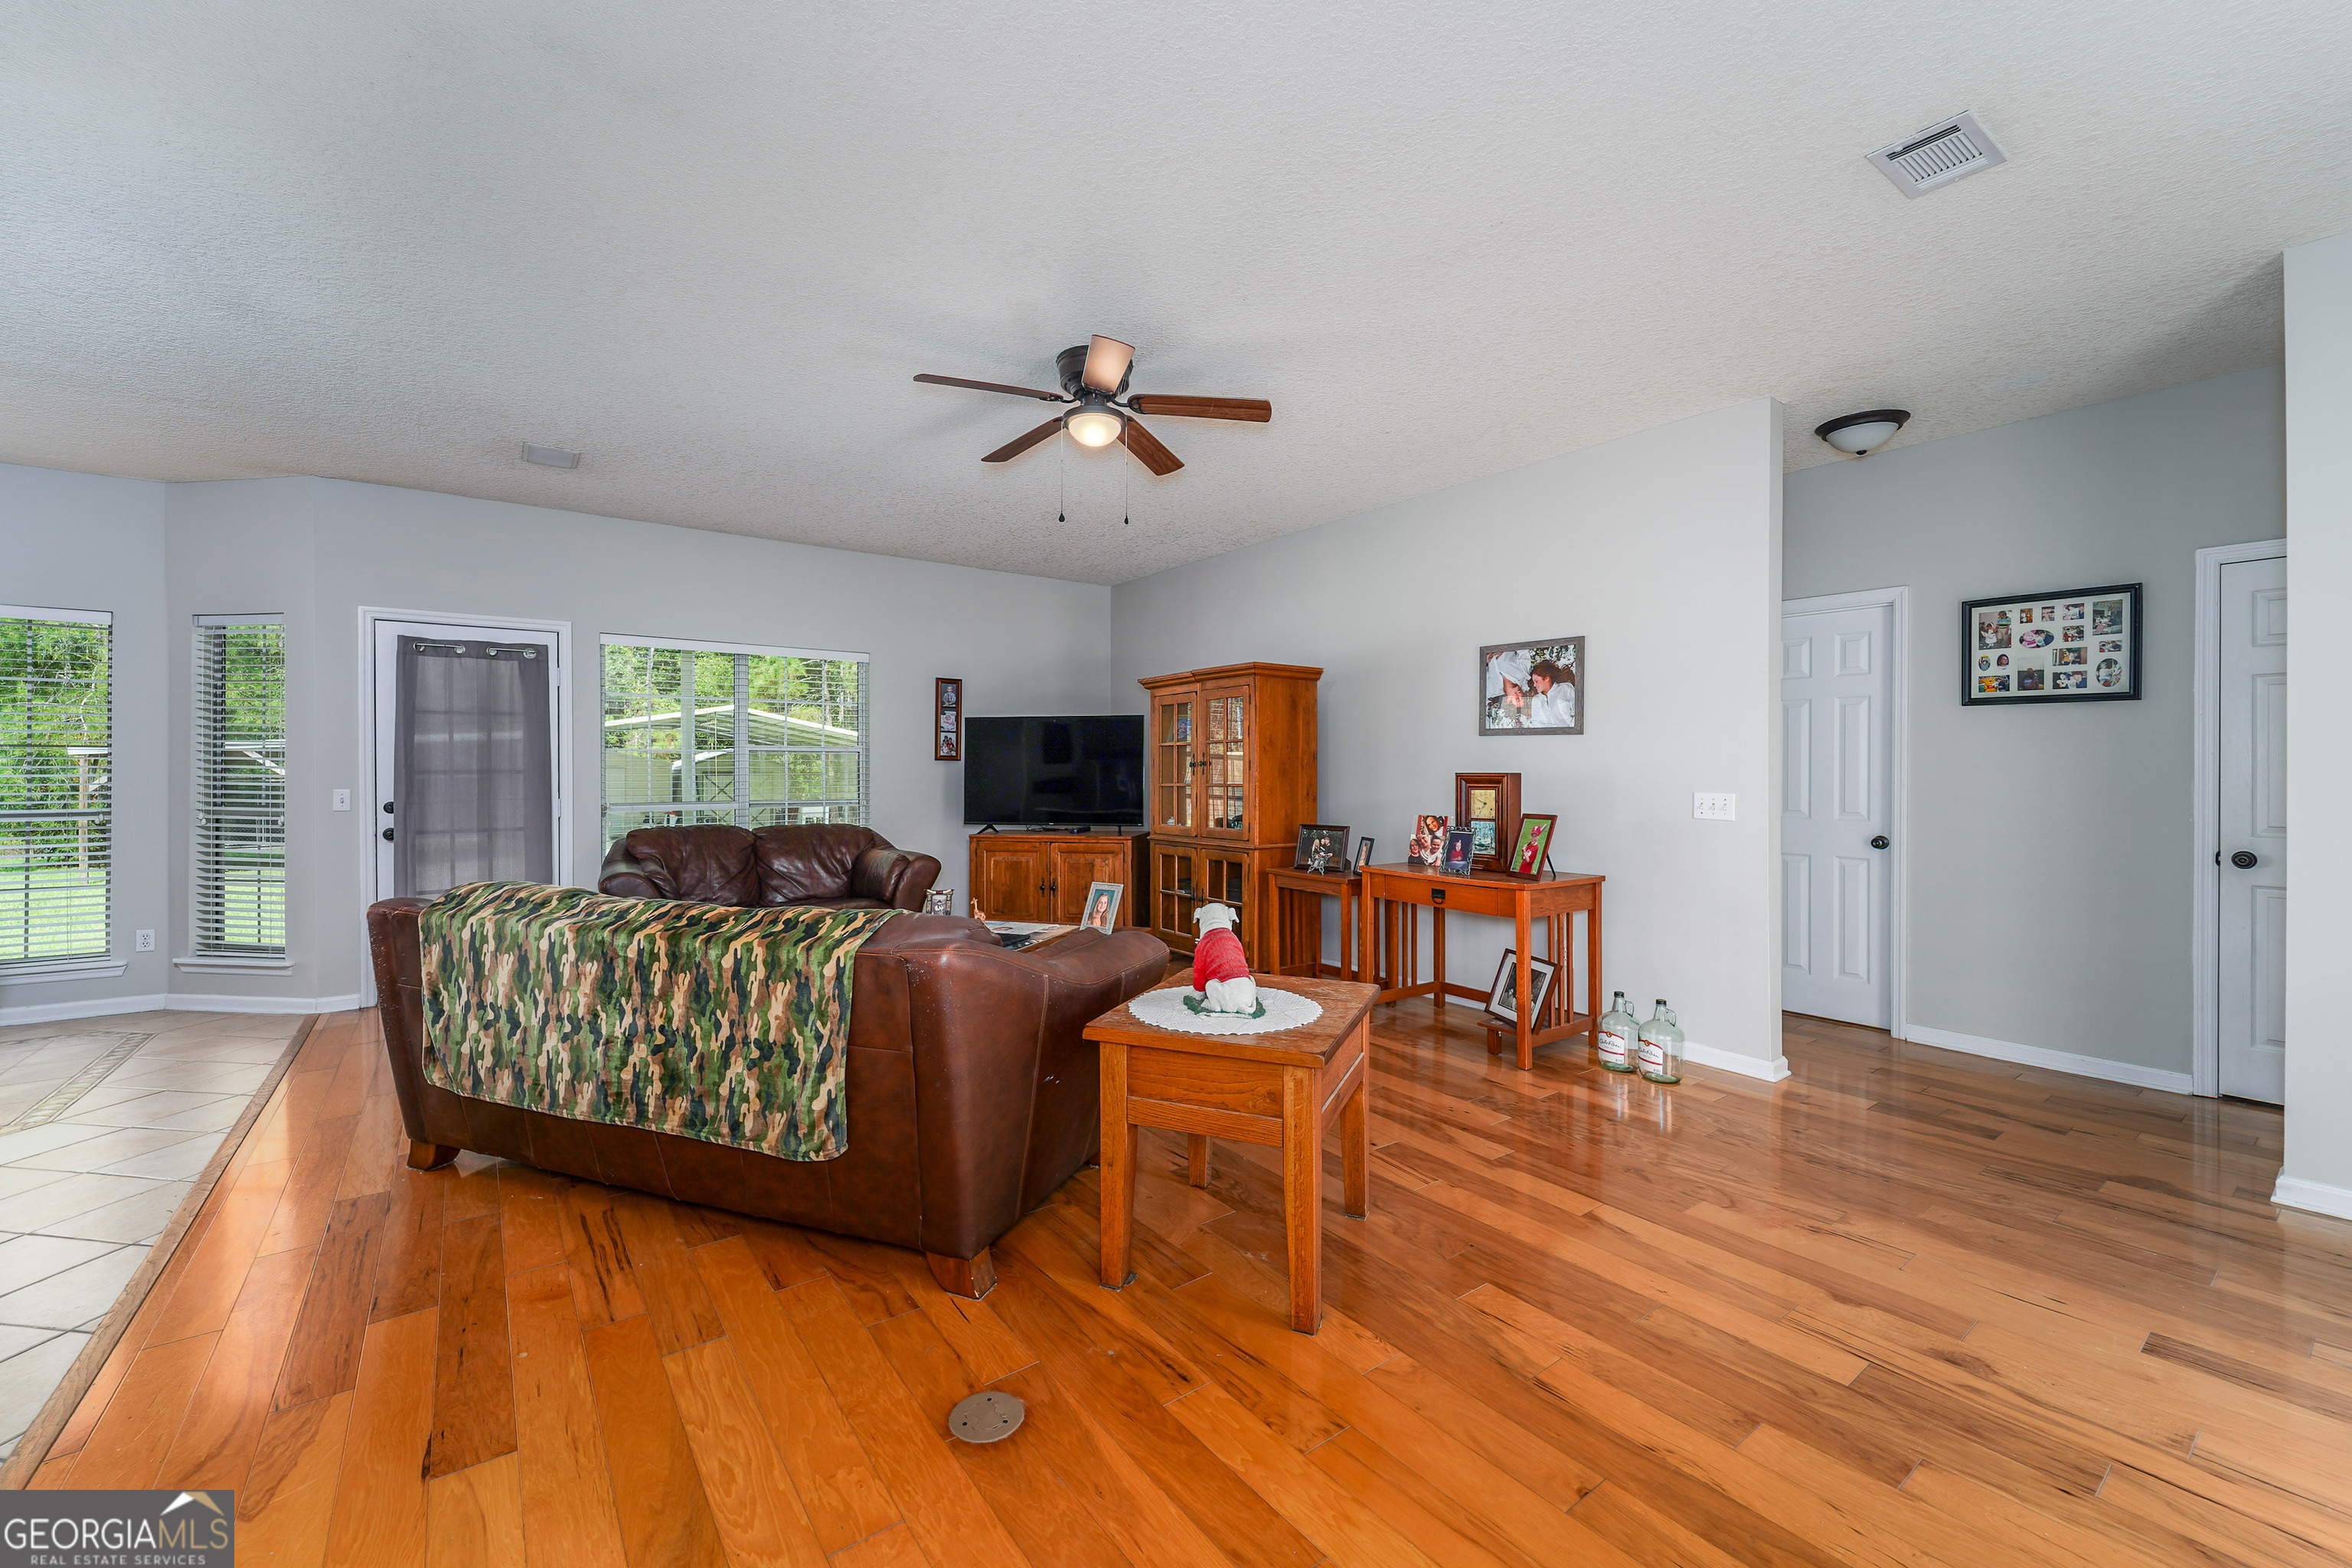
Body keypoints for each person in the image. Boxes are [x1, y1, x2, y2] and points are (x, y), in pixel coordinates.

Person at [1524, 660, 1576, 728]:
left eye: (1536, 681)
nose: (1535, 685)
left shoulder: (1565, 689)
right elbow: (1536, 723)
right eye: (1534, 682)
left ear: (1547, 679)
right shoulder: (1536, 700)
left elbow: (1578, 714)